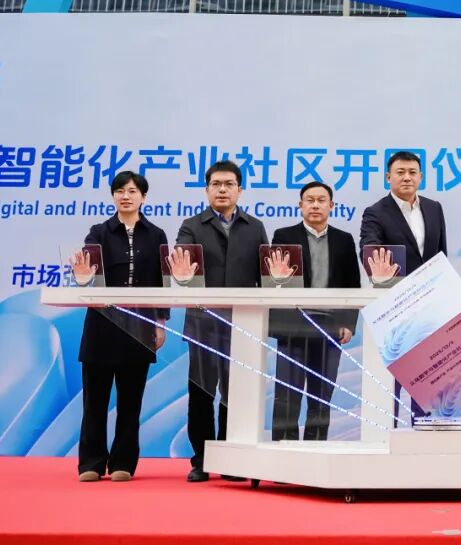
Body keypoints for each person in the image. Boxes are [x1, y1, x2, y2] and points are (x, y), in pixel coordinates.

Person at [174, 160, 269, 482]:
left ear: (240, 190)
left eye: (229, 184)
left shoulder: (254, 227)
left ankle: (231, 459)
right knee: (202, 394)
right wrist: (181, 273)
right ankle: (201, 460)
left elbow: (266, 277)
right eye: (216, 184)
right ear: (207, 190)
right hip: (203, 323)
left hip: (242, 325)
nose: (223, 190)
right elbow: (182, 269)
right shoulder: (191, 226)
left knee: (236, 394)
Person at [72, 170, 169, 483]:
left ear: (143, 197)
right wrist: (82, 278)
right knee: (95, 401)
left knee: (130, 402)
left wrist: (160, 322)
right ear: (113, 196)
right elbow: (87, 274)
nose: (125, 196)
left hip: (139, 327)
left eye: (132, 191)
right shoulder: (98, 232)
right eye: (120, 191)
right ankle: (91, 462)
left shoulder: (156, 235)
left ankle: (122, 462)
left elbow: (161, 283)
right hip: (101, 327)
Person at [359, 151, 447, 422]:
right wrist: (376, 267)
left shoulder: (434, 208)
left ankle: (426, 437)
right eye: (400, 172)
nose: (407, 177)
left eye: (412, 172)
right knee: (392, 385)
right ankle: (388, 438)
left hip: (429, 311)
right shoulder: (375, 212)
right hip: (395, 311)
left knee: (430, 382)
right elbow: (369, 246)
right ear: (388, 177)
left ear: (420, 177)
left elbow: (441, 256)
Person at [268, 181, 360, 441]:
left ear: (331, 206)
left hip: (330, 325)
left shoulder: (344, 240)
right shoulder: (284, 236)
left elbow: (352, 283)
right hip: (292, 325)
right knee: (287, 395)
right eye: (310, 200)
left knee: (321, 397)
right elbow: (274, 280)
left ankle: (315, 450)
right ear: (301, 205)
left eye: (321, 200)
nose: (315, 205)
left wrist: (349, 323)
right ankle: (283, 451)